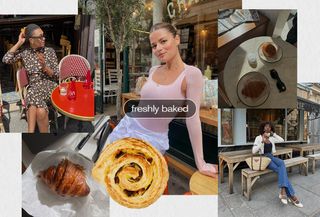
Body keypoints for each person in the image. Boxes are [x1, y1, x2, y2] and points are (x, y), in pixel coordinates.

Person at [108, 22, 217, 178]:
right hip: (129, 126)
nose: (158, 48)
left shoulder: (192, 74)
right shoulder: (153, 70)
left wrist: (201, 162)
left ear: (177, 39)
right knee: (110, 174)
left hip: (152, 140)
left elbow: (192, 118)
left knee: (133, 185)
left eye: (163, 41)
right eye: (154, 45)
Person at [2, 24, 59, 133]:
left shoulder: (50, 51)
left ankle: (30, 132)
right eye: (40, 36)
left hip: (49, 85)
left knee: (32, 94)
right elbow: (6, 59)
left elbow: (57, 75)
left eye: (43, 35)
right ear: (31, 40)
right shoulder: (25, 53)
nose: (44, 38)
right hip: (34, 87)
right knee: (41, 111)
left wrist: (45, 67)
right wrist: (19, 43)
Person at [252, 121, 303, 207]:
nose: (268, 128)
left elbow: (282, 140)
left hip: (272, 157)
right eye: (266, 127)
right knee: (281, 171)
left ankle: (283, 190)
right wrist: (262, 142)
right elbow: (253, 151)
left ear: (271, 129)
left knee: (282, 163)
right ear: (263, 128)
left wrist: (274, 134)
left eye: (269, 127)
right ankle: (292, 196)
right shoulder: (258, 138)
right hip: (265, 159)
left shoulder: (271, 138)